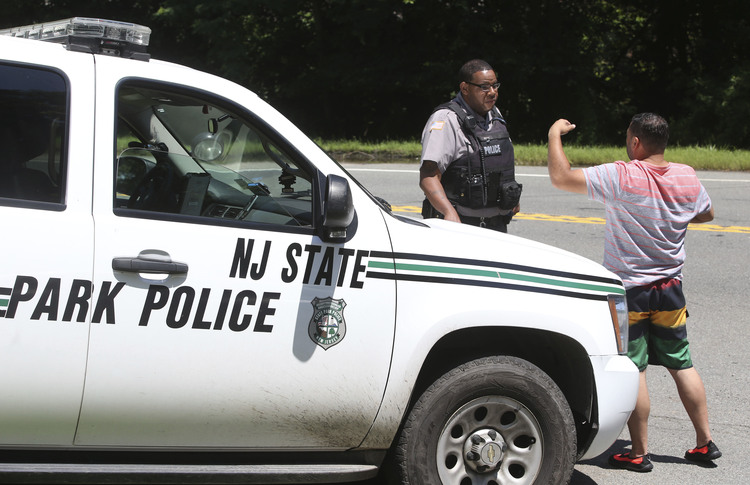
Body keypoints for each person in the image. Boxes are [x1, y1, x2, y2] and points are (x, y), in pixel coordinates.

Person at [546, 113, 721, 473]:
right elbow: (706, 214)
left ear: (636, 142)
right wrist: (670, 213)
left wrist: (554, 135)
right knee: (681, 363)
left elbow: (561, 177)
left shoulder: (623, 175)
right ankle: (705, 443)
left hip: (631, 292)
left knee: (635, 369)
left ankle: (639, 453)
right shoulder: (687, 175)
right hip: (671, 291)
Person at [419, 59, 521, 232]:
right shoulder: (446, 119)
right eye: (484, 87)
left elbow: (497, 164)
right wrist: (449, 213)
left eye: (495, 86)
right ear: (465, 88)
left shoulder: (495, 115)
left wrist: (511, 197)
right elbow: (429, 175)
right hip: (460, 225)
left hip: (497, 225)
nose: (492, 92)